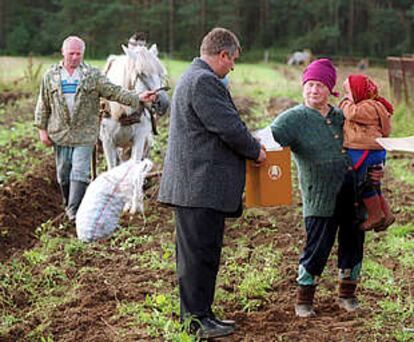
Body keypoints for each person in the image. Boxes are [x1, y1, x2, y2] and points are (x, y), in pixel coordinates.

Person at [158, 28, 266, 339]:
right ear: (222, 55)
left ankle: (202, 315)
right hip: (198, 186)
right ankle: (194, 321)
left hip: (199, 187)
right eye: (232, 60)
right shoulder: (204, 81)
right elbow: (228, 127)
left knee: (203, 255)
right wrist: (254, 150)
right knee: (197, 257)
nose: (232, 67)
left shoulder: (195, 77)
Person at [269, 59, 382, 318]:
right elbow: (268, 141)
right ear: (303, 87)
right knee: (317, 247)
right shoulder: (293, 119)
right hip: (319, 195)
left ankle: (347, 295)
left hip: (354, 192)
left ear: (329, 89)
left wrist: (376, 170)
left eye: (320, 85)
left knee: (353, 243)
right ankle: (304, 299)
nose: (313, 90)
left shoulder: (343, 115)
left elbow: (368, 145)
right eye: (309, 85)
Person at [34, 36, 156, 222]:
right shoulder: (51, 76)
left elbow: (114, 91)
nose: (75, 57)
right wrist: (42, 129)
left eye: (79, 53)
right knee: (63, 172)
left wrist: (138, 97)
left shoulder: (92, 75)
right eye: (71, 53)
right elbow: (43, 103)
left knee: (80, 171)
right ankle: (68, 204)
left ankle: (74, 212)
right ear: (63, 52)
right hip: (60, 133)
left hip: (85, 133)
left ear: (83, 54)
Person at [340, 74, 395, 231]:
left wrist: (344, 103)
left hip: (365, 151)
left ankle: (375, 215)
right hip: (374, 150)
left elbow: (352, 114)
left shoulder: (368, 106)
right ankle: (386, 213)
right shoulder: (376, 105)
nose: (346, 97)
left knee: (363, 183)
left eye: (348, 93)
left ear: (359, 91)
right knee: (373, 183)